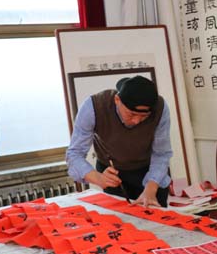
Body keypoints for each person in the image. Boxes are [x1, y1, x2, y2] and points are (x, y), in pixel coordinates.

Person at [66, 75, 173, 207]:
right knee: (121, 216)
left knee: (156, 216)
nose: (136, 121)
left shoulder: (160, 109)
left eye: (143, 116)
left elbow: (161, 153)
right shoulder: (94, 107)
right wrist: (98, 178)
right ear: (117, 100)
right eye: (131, 114)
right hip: (112, 172)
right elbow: (74, 154)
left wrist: (151, 189)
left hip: (149, 170)